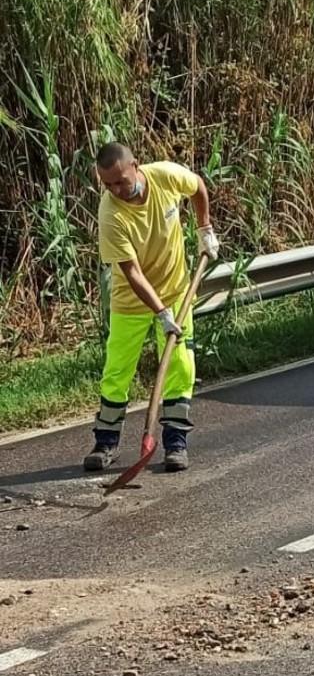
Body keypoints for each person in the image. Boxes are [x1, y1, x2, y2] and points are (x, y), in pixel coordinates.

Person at [85, 143, 219, 474]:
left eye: (120, 181)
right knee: (117, 371)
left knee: (180, 366)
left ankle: (175, 442)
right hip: (131, 301)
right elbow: (131, 273)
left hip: (176, 291)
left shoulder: (165, 177)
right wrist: (161, 313)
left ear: (136, 166)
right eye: (107, 185)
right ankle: (106, 443)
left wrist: (205, 229)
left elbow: (198, 186)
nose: (116, 190)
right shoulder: (111, 214)